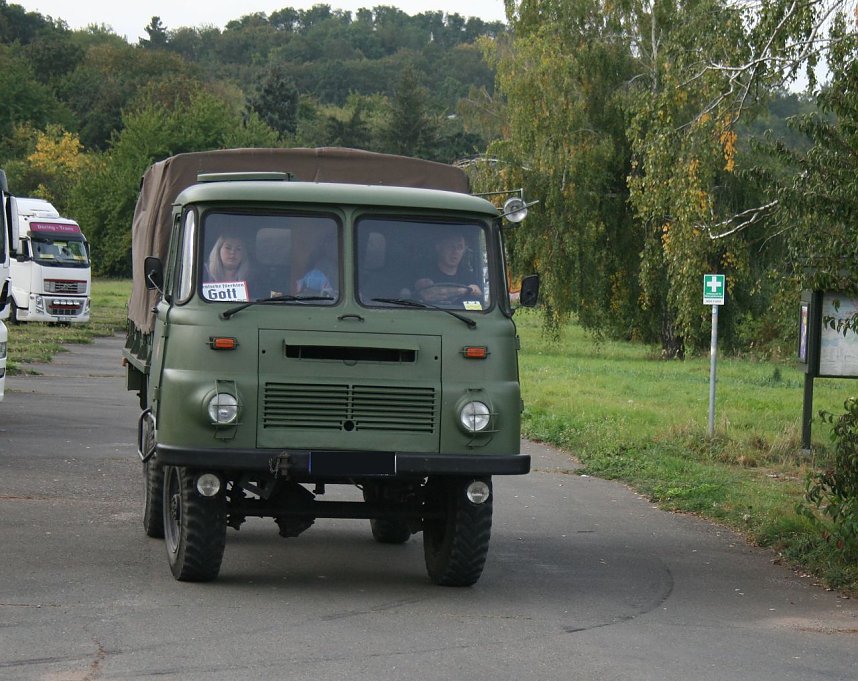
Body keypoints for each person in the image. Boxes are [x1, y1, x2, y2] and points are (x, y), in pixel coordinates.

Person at [414, 232, 482, 300]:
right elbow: (429, 294)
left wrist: (476, 292)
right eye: (451, 246)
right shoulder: (424, 273)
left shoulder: (469, 277)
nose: (455, 251)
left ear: (464, 251)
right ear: (439, 247)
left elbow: (479, 302)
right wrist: (463, 290)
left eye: (460, 247)